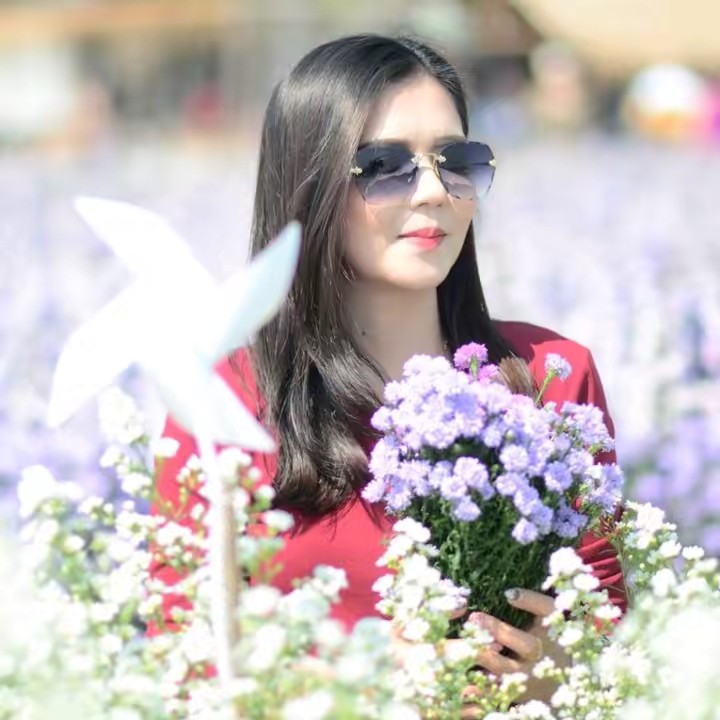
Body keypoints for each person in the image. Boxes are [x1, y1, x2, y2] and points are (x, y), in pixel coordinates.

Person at [151, 33, 625, 702]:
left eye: (457, 160)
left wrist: (556, 669)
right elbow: (184, 661)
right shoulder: (224, 399)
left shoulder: (553, 377)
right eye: (384, 165)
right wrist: (364, 678)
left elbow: (608, 628)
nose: (434, 191)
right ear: (308, 185)